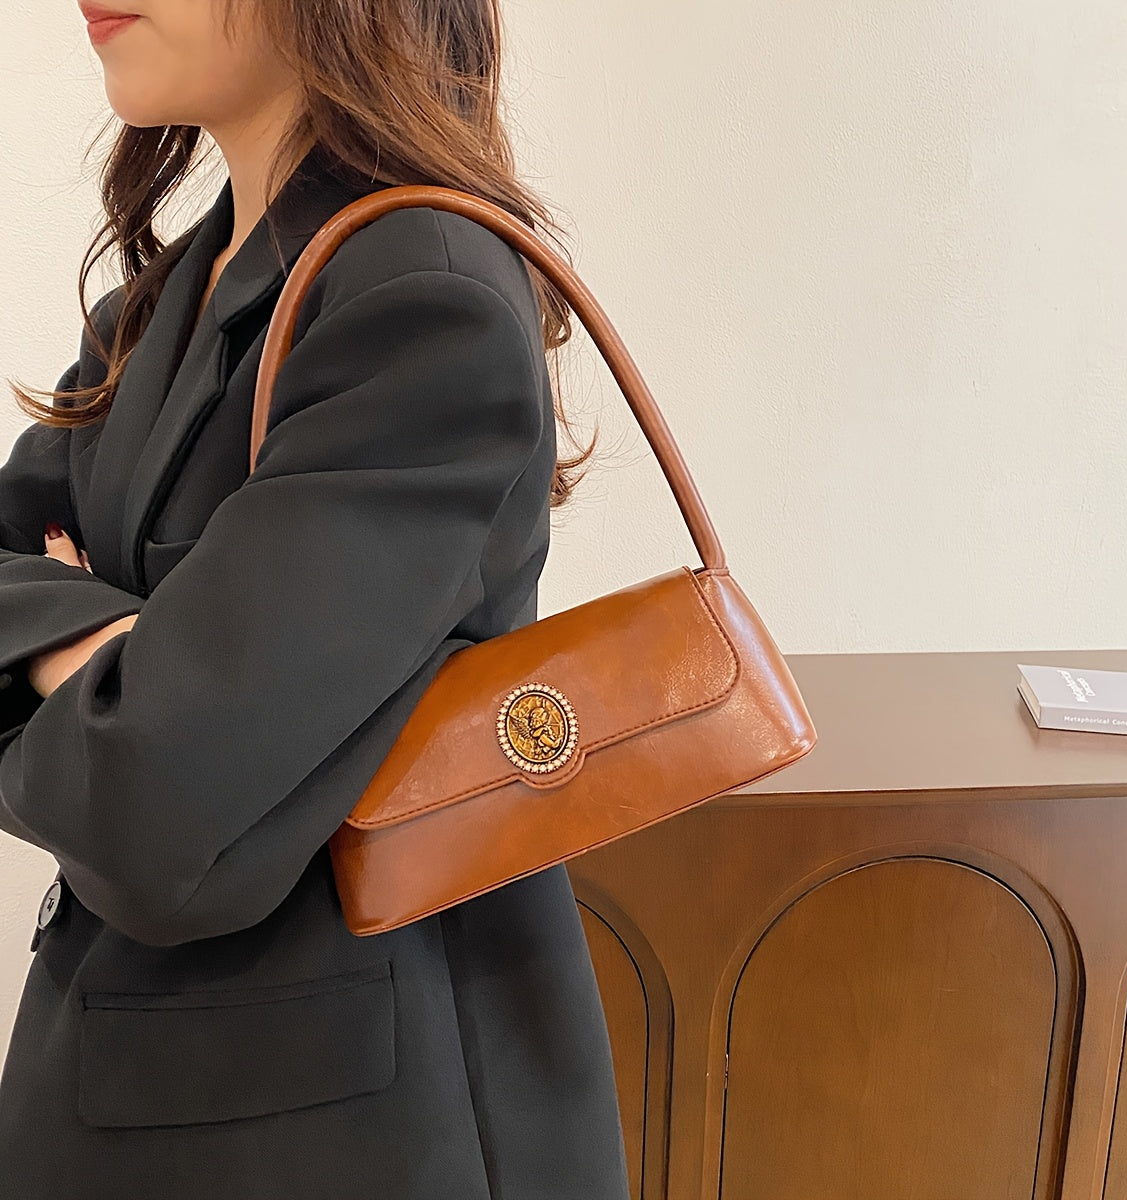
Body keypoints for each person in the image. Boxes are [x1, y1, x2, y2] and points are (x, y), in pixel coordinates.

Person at [0, 2, 631, 1197]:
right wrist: (106, 658)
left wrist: (80, 674)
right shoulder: (175, 290)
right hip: (165, 1093)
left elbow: (149, 811)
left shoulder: (421, 297)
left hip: (343, 1133)